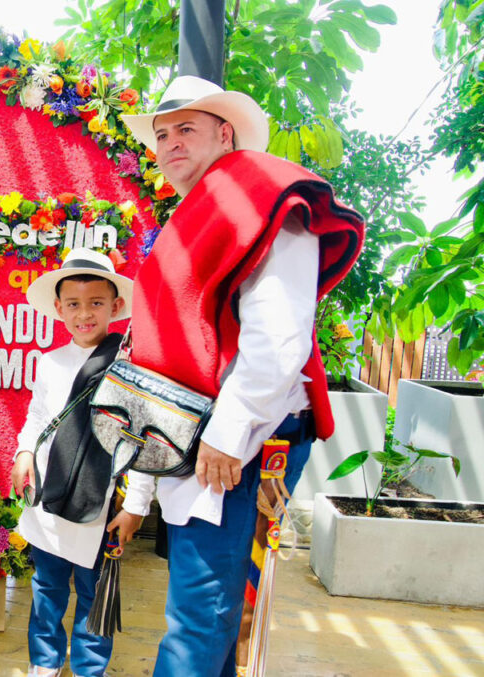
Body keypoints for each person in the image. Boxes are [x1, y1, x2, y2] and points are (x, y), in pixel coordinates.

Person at [121, 75, 365, 676]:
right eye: (162, 134)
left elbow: (278, 332)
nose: (170, 142)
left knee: (201, 619)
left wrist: (229, 434)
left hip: (236, 441)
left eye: (187, 129)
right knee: (213, 619)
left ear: (225, 133)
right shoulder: (214, 201)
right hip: (204, 437)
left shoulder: (260, 192)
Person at [10, 248, 155, 677]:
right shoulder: (49, 362)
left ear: (116, 306)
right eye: (73, 304)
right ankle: (45, 662)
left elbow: (143, 439)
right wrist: (24, 451)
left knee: (95, 594)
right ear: (58, 308)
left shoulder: (131, 364)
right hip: (50, 495)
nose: (84, 314)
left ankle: (90, 667)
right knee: (46, 587)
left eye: (96, 303)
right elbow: (39, 417)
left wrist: (136, 506)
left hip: (104, 501)